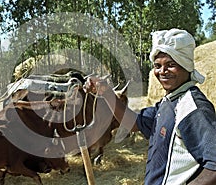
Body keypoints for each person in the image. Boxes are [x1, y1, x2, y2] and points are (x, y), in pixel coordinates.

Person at [84, 28, 216, 184]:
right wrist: (106, 92)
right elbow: (133, 122)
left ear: (185, 65)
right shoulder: (170, 101)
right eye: (157, 65)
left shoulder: (193, 108)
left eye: (171, 64)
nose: (162, 71)